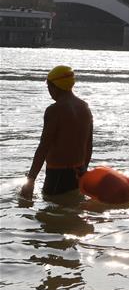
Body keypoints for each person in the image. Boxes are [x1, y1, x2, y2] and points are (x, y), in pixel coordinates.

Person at [20, 66, 94, 200]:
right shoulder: (85, 107)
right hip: (79, 172)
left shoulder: (54, 110)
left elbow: (44, 146)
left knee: (51, 209)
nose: (49, 91)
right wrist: (84, 170)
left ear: (54, 87)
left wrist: (31, 179)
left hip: (57, 175)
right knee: (73, 208)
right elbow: (89, 144)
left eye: (48, 87)